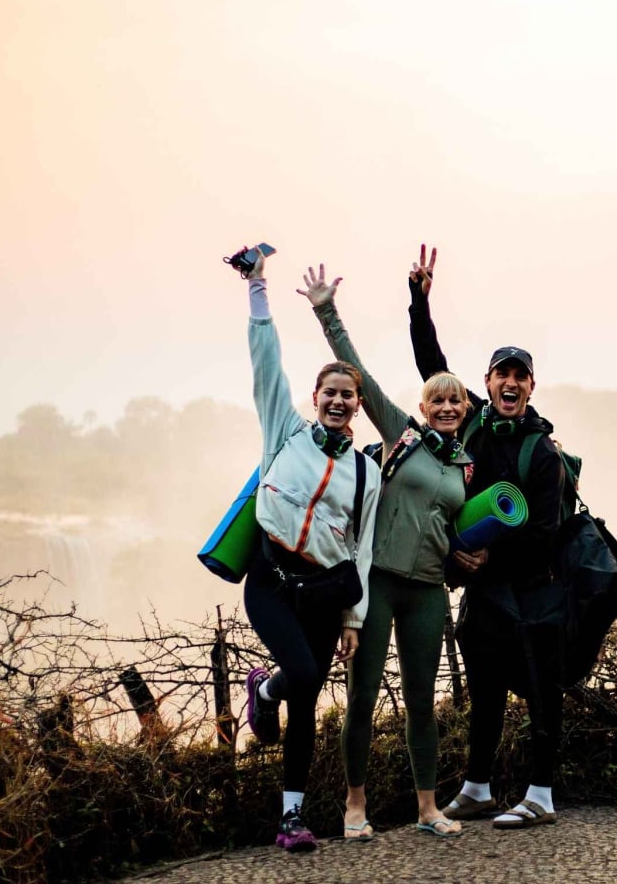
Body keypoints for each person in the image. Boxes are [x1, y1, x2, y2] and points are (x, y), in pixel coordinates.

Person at [297, 263, 475, 840]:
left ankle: (428, 808)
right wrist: (326, 309)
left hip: (426, 589)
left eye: (455, 402)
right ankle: (355, 806)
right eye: (437, 401)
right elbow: (359, 372)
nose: (446, 408)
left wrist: (473, 557)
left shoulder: (465, 465)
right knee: (362, 699)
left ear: (465, 411)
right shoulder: (402, 433)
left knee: (423, 700)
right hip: (377, 583)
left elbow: (463, 529)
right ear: (423, 408)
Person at [406, 245, 569, 830]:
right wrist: (419, 303)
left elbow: (546, 531)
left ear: (530, 387)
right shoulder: (470, 419)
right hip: (484, 590)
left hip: (534, 587)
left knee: (542, 691)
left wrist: (485, 554)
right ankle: (477, 789)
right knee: (486, 688)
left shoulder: (542, 452)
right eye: (502, 373)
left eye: (519, 375)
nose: (510, 382)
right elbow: (432, 368)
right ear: (488, 382)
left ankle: (541, 795)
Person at [235, 251, 381, 852]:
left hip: (324, 592)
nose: (340, 401)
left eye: (349, 394)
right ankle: (265, 691)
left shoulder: (365, 473)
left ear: (356, 404)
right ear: (316, 397)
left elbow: (361, 549)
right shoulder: (285, 433)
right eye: (331, 392)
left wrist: (354, 619)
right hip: (271, 580)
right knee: (297, 675)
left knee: (310, 695)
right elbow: (266, 362)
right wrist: (257, 289)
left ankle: (291, 819)